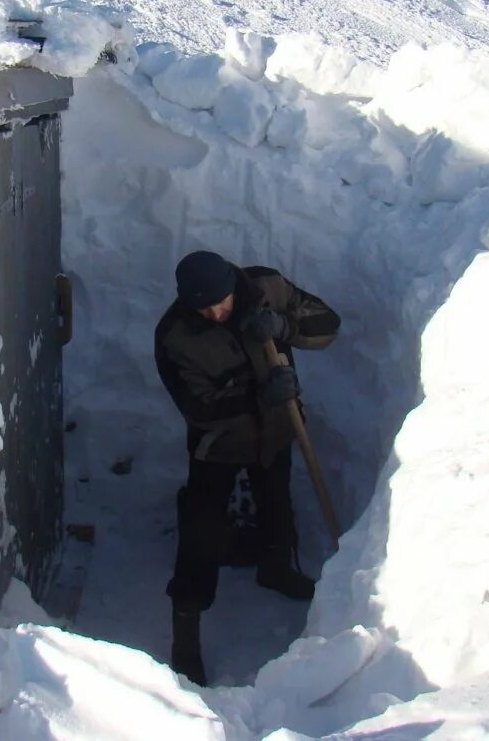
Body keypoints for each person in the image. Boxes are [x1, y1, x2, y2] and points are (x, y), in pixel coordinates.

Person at [153, 250, 341, 686]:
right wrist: (258, 397)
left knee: (276, 503)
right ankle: (186, 630)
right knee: (201, 533)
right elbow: (197, 407)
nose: (217, 312)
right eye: (205, 308)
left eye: (222, 301)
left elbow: (328, 325)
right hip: (217, 446)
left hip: (277, 431)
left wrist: (284, 327)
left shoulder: (267, 289)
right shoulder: (175, 336)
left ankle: (276, 568)